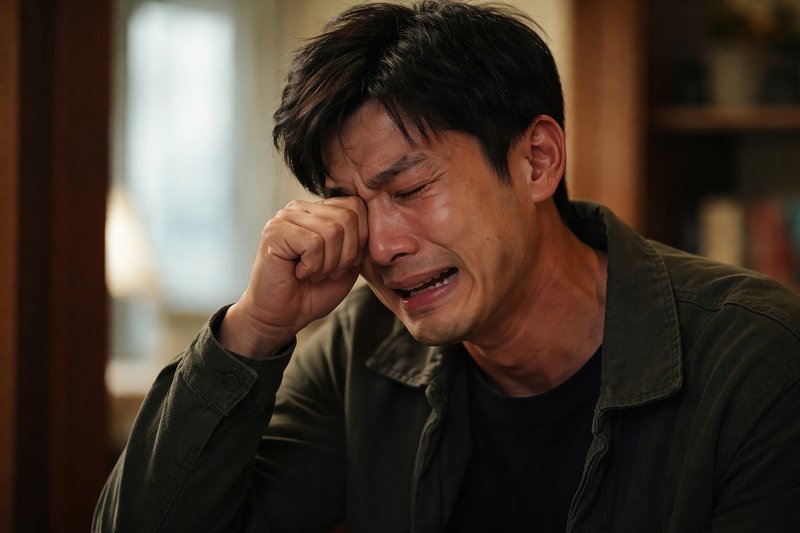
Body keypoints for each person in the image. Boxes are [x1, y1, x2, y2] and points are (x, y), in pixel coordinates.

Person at [93, 1, 800, 532]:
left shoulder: (756, 357)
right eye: (352, 206)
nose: (380, 246)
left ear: (537, 160)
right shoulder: (362, 350)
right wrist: (253, 330)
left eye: (409, 190)